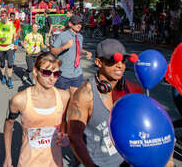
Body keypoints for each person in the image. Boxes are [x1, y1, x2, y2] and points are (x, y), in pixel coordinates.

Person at [66, 39, 165, 167]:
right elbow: (74, 137)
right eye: (112, 61)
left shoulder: (132, 89)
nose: (120, 65)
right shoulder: (85, 95)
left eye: (123, 60)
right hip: (95, 163)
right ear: (98, 62)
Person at [3, 52, 70, 167]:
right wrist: (8, 156)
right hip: (29, 161)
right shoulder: (19, 100)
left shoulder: (64, 96)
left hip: (55, 162)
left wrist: (64, 135)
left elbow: (63, 120)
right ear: (35, 71)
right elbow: (8, 125)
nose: (52, 78)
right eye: (47, 72)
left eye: (56, 74)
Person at [51, 15, 92, 94]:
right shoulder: (62, 36)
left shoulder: (80, 36)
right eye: (76, 23)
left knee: (75, 97)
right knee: (63, 98)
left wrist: (86, 52)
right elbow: (53, 51)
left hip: (77, 73)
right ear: (70, 24)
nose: (79, 25)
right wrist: (64, 47)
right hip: (64, 73)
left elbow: (78, 48)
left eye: (80, 23)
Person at [0, 12, 17, 89]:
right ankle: (3, 76)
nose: (3, 17)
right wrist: (0, 38)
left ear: (7, 16)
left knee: (10, 64)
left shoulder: (10, 24)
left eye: (5, 15)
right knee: (2, 64)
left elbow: (14, 32)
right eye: (2, 16)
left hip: (9, 46)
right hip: (0, 47)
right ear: (0, 17)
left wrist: (15, 38)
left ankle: (9, 80)